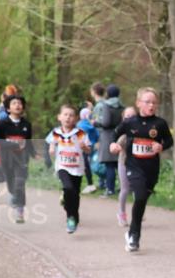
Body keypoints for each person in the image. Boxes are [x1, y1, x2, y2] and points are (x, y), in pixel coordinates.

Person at [110, 88, 173, 252]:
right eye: (147, 102)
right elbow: (114, 134)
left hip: (151, 168)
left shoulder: (160, 124)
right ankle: (134, 236)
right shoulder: (130, 122)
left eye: (154, 102)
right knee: (139, 195)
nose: (151, 105)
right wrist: (113, 144)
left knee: (142, 200)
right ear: (139, 103)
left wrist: (161, 146)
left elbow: (169, 140)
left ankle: (132, 232)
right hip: (133, 165)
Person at [46, 104, 93, 233]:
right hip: (62, 167)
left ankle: (74, 216)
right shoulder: (56, 132)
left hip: (77, 169)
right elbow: (51, 141)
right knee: (68, 188)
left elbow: (89, 150)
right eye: (65, 114)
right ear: (59, 117)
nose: (68, 117)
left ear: (76, 118)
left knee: (75, 194)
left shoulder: (80, 133)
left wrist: (85, 148)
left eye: (71, 115)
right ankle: (70, 218)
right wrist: (51, 148)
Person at [0, 93, 35, 223]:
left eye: (19, 103)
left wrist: (34, 153)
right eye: (14, 103)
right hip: (6, 159)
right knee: (12, 185)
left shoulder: (27, 124)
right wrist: (12, 144)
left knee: (20, 183)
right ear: (8, 108)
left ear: (23, 107)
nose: (17, 105)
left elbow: (28, 141)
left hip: (22, 159)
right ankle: (13, 194)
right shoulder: (2, 123)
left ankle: (20, 211)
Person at [94, 83, 122, 196]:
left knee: (110, 165)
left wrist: (96, 123)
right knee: (118, 164)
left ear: (108, 94)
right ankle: (123, 187)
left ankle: (110, 189)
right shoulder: (122, 106)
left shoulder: (106, 105)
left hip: (107, 137)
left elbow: (105, 123)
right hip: (119, 136)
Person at [115, 105, 137, 227]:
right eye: (127, 116)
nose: (130, 119)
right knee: (125, 189)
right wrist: (116, 147)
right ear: (123, 119)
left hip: (138, 165)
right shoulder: (123, 135)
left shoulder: (141, 133)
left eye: (133, 116)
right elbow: (116, 145)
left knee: (138, 189)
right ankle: (121, 213)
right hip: (123, 163)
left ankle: (137, 211)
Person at [77, 107, 99, 193]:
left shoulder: (81, 124)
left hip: (84, 147)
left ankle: (90, 185)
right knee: (92, 164)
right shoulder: (92, 125)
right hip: (93, 146)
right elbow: (97, 135)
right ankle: (100, 183)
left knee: (86, 166)